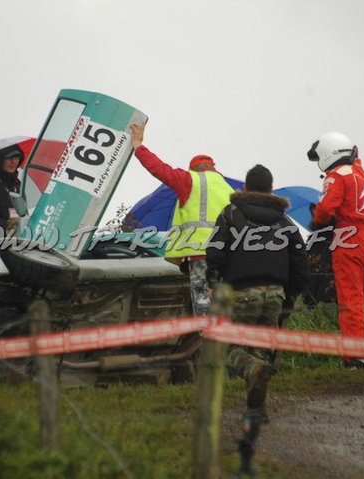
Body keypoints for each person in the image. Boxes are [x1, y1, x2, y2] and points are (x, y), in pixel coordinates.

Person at [206, 164, 309, 421]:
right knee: (261, 352)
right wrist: (290, 295)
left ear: (246, 188)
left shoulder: (230, 214)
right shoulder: (285, 221)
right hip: (274, 294)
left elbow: (215, 251)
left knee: (229, 349)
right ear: (271, 189)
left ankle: (252, 374)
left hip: (240, 292)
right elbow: (300, 261)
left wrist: (212, 281)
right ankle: (256, 410)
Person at [129, 123, 234, 315]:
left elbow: (158, 168)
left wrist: (138, 144)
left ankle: (207, 338)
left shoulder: (189, 180)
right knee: (224, 305)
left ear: (193, 169)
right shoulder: (228, 189)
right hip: (227, 258)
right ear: (213, 169)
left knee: (203, 303)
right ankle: (227, 340)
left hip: (199, 254)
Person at [307, 132, 364, 369]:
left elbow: (326, 208)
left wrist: (317, 221)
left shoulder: (337, 175)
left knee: (350, 299)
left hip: (349, 237)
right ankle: (360, 350)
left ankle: (355, 357)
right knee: (360, 297)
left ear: (329, 153)